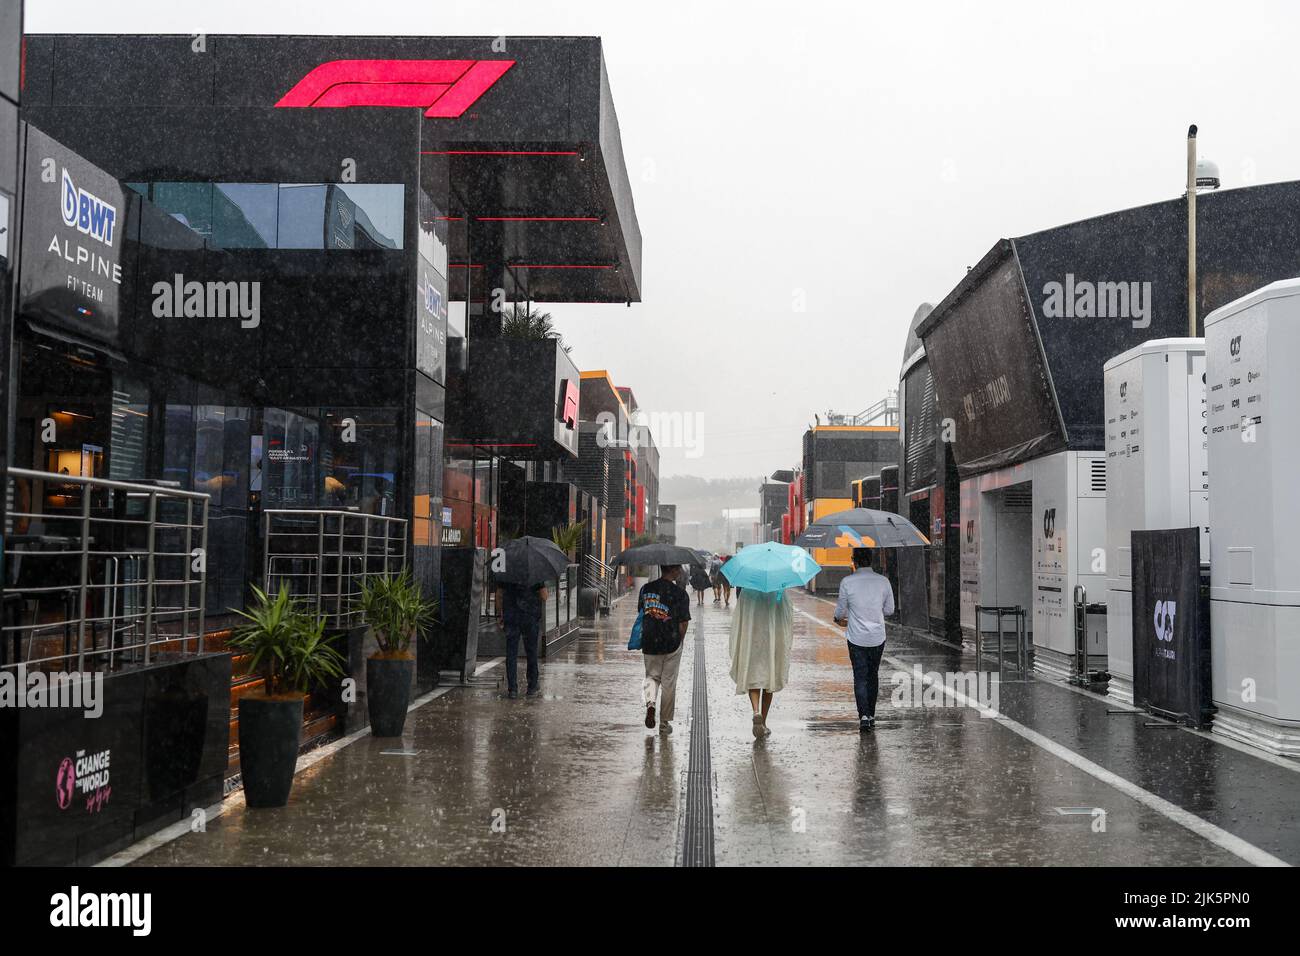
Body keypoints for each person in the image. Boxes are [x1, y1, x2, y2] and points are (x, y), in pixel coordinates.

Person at [833, 547, 895, 732]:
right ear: (871, 560)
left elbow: (840, 611)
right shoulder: (883, 582)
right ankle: (872, 714)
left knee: (860, 676)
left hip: (856, 637)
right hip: (877, 637)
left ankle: (864, 717)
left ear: (854, 561)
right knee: (872, 675)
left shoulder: (847, 582)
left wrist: (840, 618)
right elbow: (889, 610)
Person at [729, 587, 794, 739]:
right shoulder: (779, 591)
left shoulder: (747, 590)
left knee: (753, 677)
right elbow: (785, 614)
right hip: (772, 640)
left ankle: (756, 711)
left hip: (752, 639)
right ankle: (763, 722)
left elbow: (740, 616)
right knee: (769, 679)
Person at [637, 564, 691, 735]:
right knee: (668, 683)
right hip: (671, 641)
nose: (681, 572)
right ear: (673, 570)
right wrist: (680, 640)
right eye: (679, 569)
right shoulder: (680, 594)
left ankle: (651, 704)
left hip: (649, 640)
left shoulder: (646, 589)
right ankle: (664, 723)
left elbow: (641, 610)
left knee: (651, 677)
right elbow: (683, 622)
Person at [496, 578, 548, 699]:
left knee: (511, 653)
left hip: (511, 617)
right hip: (529, 617)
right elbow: (544, 596)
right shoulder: (534, 573)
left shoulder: (507, 572)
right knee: (531, 652)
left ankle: (512, 689)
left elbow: (499, 595)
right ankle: (532, 687)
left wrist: (499, 614)